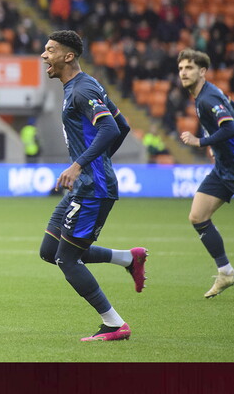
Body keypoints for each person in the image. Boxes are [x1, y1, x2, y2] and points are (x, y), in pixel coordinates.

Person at [38, 29, 148, 342]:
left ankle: (115, 324)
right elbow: (122, 125)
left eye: (50, 50)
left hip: (93, 188)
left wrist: (81, 165)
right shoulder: (83, 85)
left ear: (68, 55)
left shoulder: (81, 89)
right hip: (86, 185)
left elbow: (111, 128)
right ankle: (129, 258)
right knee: (50, 250)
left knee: (67, 259)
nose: (44, 55)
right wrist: (97, 161)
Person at [176, 48, 234, 298]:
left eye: (189, 68)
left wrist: (201, 141)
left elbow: (231, 128)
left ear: (202, 71)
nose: (183, 73)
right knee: (198, 216)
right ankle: (226, 272)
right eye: (181, 68)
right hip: (223, 169)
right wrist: (217, 144)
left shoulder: (207, 99)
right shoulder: (207, 94)